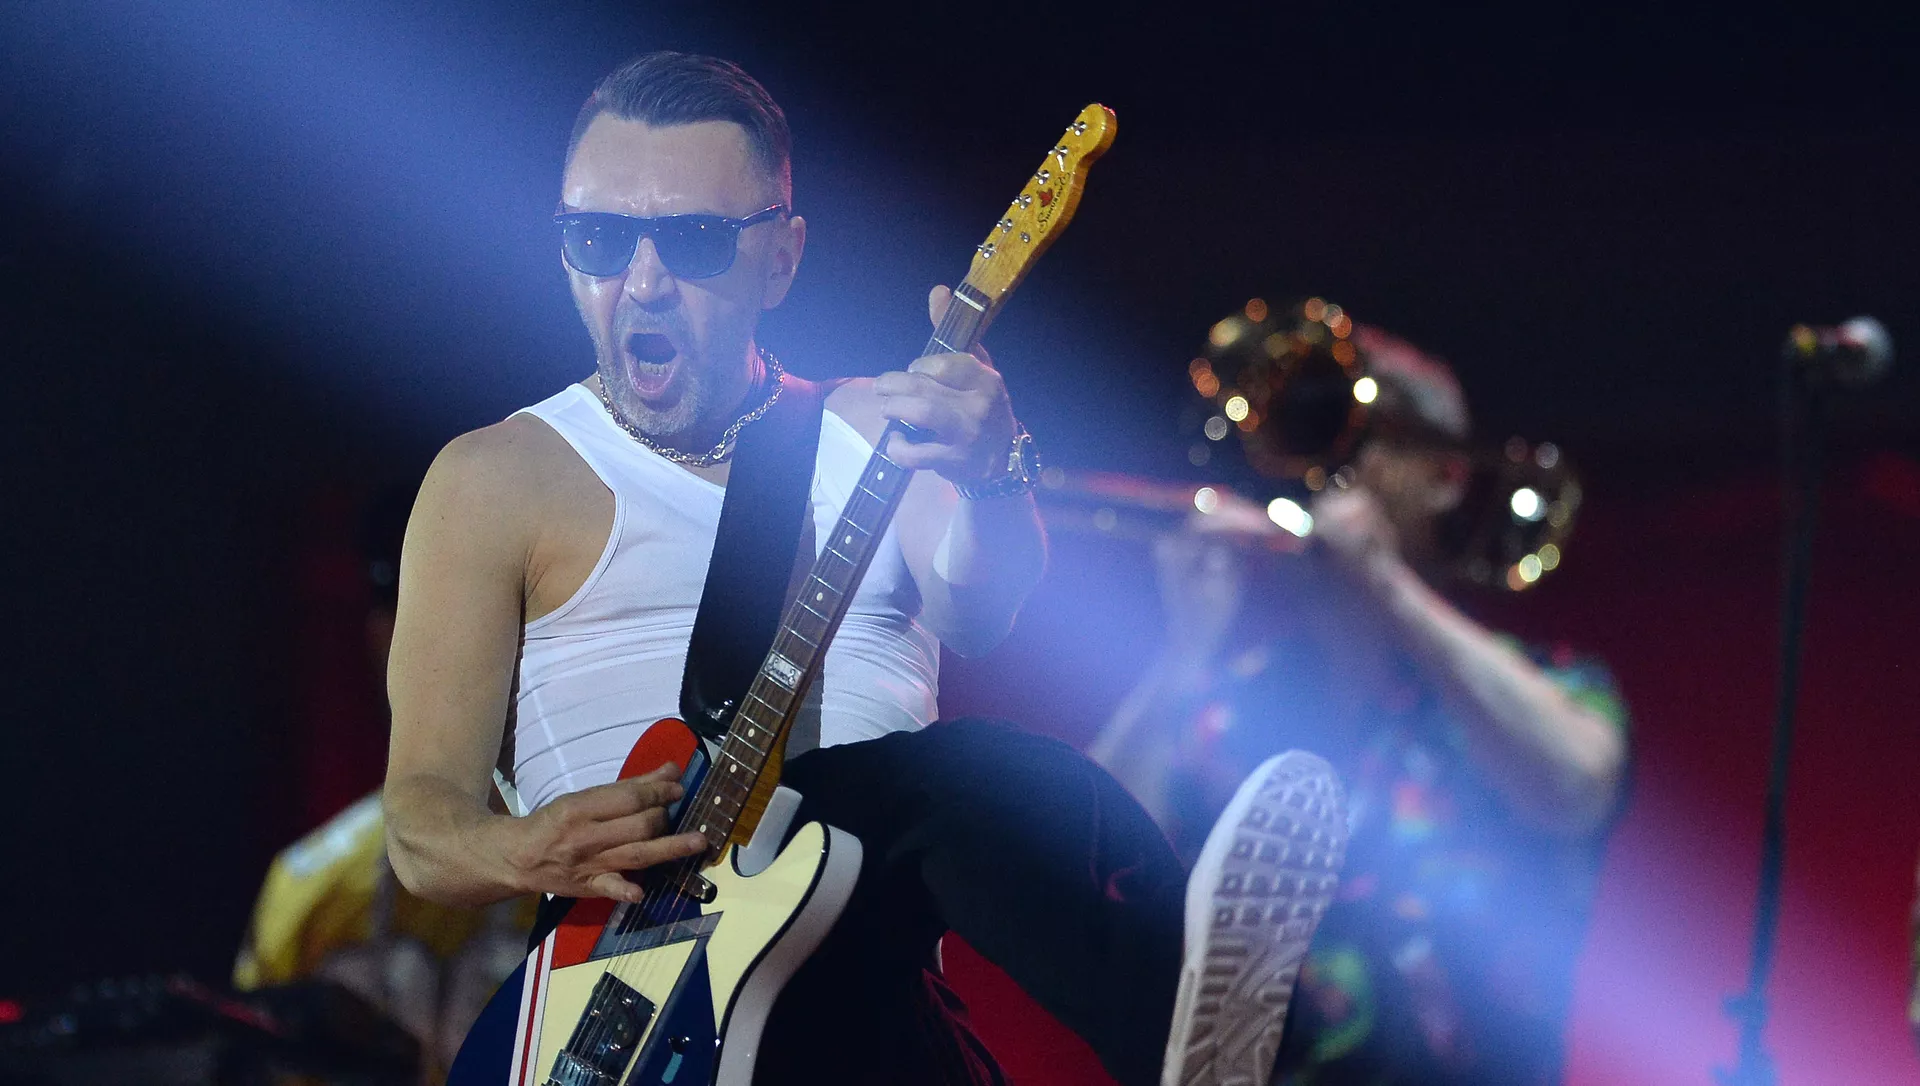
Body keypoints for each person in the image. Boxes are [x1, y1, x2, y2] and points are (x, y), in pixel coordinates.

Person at [381, 52, 1346, 1086]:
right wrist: (528, 849)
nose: (644, 281)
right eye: (601, 239)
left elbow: (981, 611)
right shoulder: (494, 478)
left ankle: (1199, 1040)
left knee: (978, 783)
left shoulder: (879, 430)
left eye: (695, 241)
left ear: (781, 260)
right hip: (615, 1018)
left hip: (856, 974)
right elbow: (422, 822)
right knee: (964, 780)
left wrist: (992, 476)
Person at [1091, 327, 1630, 1084]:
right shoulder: (1232, 701)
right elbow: (1082, 863)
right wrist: (1182, 654)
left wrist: (1384, 583)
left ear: (1445, 475)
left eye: (1355, 433)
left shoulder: (1548, 681)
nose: (1316, 469)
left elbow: (1577, 786)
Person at [234, 485, 536, 1082]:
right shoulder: (308, 888)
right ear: (376, 635)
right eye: (401, 609)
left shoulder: (612, 854)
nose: (432, 648)